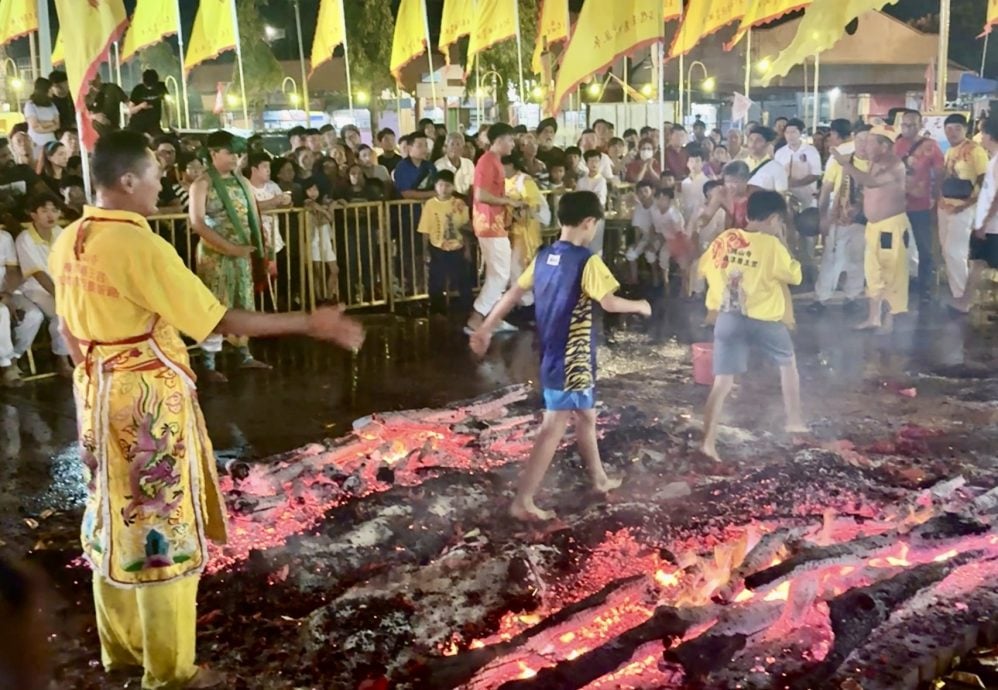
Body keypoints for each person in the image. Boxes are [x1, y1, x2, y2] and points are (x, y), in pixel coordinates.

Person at [49, 130, 363, 690]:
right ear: (126, 181)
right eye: (153, 177)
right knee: (159, 532)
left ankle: (121, 652)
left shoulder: (69, 236)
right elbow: (218, 320)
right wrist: (308, 323)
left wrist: (97, 376)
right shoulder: (140, 245)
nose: (160, 185)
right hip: (144, 402)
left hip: (96, 391)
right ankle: (170, 672)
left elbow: (70, 328)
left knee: (109, 520)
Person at [470, 191, 650, 521]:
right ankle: (523, 500)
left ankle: (598, 479)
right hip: (574, 357)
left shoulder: (544, 256)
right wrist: (640, 305)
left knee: (586, 414)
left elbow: (513, 294)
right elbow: (609, 303)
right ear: (589, 223)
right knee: (554, 424)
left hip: (553, 352)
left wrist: (485, 328)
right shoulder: (587, 261)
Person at [698, 190, 806, 462]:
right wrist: (781, 240)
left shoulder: (725, 239)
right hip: (764, 321)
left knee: (722, 383)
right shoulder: (772, 246)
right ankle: (793, 420)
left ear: (746, 215)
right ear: (773, 219)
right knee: (788, 364)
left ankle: (708, 443)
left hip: (729, 318)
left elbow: (702, 267)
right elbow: (794, 276)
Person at [189, 131, 273, 381]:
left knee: (242, 301)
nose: (236, 158)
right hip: (215, 254)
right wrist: (230, 248)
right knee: (216, 304)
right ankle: (208, 362)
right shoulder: (202, 184)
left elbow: (253, 215)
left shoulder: (241, 182)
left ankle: (244, 354)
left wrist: (260, 244)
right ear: (213, 154)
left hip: (242, 253)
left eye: (238, 153)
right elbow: (198, 223)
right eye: (230, 153)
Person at [832, 125, 909, 333]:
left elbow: (870, 182)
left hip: (890, 227)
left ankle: (891, 319)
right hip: (873, 226)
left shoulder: (894, 165)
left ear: (884, 146)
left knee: (892, 273)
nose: (865, 146)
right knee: (873, 273)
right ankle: (873, 318)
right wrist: (857, 208)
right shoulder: (875, 163)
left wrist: (843, 163)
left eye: (870, 142)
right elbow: (869, 192)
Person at [466, 122, 523, 334]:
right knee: (500, 275)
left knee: (497, 274)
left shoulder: (493, 161)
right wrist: (508, 201)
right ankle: (477, 317)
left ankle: (492, 317)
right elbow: (480, 195)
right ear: (498, 141)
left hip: (493, 224)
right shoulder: (487, 161)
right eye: (510, 140)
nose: (512, 144)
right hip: (490, 224)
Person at [813, 127, 869, 311]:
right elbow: (827, 188)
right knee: (830, 258)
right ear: (854, 139)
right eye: (860, 140)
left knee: (857, 259)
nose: (863, 145)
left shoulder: (875, 165)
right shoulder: (840, 162)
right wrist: (823, 216)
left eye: (867, 141)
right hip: (839, 216)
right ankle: (822, 297)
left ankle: (852, 296)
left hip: (865, 220)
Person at [15, 192, 72, 376]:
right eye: (44, 211)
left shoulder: (60, 233)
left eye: (55, 210)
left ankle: (68, 357)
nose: (50, 215)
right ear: (33, 215)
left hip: (59, 287)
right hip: (35, 289)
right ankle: (62, 361)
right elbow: (38, 273)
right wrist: (61, 295)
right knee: (62, 312)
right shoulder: (25, 239)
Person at [938, 113, 989, 304]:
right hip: (946, 205)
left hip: (964, 207)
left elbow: (984, 180)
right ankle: (957, 291)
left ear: (966, 129)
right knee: (947, 250)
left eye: (957, 128)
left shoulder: (975, 150)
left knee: (954, 251)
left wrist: (970, 203)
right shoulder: (950, 151)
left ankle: (961, 296)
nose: (952, 133)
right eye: (949, 129)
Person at [894, 109, 945, 301]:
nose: (907, 128)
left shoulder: (931, 147)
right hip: (898, 205)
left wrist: (935, 194)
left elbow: (940, 171)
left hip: (921, 204)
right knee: (899, 246)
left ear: (920, 125)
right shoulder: (897, 145)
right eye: (904, 125)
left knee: (925, 247)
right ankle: (902, 282)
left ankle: (925, 286)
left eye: (911, 125)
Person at [953, 116, 998, 312]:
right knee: (978, 262)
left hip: (993, 226)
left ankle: (965, 301)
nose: (980, 137)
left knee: (980, 263)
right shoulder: (993, 159)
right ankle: (965, 301)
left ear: (990, 135)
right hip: (988, 223)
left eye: (982, 132)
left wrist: (984, 222)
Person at [417, 169, 472, 314]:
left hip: (457, 246)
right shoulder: (430, 204)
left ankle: (466, 308)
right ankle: (437, 309)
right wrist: (425, 250)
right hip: (437, 247)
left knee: (462, 279)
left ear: (453, 186)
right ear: (435, 186)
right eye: (440, 185)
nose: (444, 189)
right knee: (436, 280)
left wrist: (467, 249)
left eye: (447, 185)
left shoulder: (459, 203)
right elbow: (425, 230)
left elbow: (466, 228)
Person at [0, 223, 43, 386]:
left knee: (34, 315)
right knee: (2, 312)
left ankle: (15, 355)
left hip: (7, 292)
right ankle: (6, 365)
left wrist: (8, 294)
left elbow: (12, 270)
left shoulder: (4, 238)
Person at [504, 155, 546, 307]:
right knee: (514, 267)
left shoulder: (524, 181)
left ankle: (528, 303)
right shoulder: (503, 182)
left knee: (522, 266)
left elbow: (534, 204)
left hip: (526, 230)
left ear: (511, 165)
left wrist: (520, 208)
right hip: (511, 230)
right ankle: (521, 301)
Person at [246, 152, 291, 272]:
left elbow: (284, 206)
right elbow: (247, 208)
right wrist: (272, 202)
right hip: (255, 242)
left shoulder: (273, 186)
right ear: (254, 169)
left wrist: (287, 201)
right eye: (265, 167)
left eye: (269, 167)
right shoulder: (246, 187)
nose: (268, 170)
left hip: (276, 241)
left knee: (278, 278)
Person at [302, 179, 340, 301]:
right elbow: (319, 209)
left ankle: (328, 295)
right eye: (309, 189)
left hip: (325, 239)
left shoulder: (324, 202)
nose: (312, 192)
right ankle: (318, 297)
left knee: (334, 269)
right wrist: (325, 210)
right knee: (317, 271)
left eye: (315, 189)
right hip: (314, 239)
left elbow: (330, 217)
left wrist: (328, 208)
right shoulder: (307, 203)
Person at [745, 127, 788, 193]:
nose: (753, 144)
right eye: (750, 140)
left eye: (758, 140)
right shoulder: (740, 164)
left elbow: (781, 196)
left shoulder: (776, 168)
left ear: (767, 144)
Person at [24, 78, 60, 155]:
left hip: (51, 141)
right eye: (50, 88)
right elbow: (35, 126)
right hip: (36, 142)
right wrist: (51, 123)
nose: (52, 91)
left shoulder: (52, 105)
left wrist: (42, 124)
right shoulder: (30, 105)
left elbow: (57, 125)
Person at [127, 69, 166, 137]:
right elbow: (131, 110)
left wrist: (169, 122)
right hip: (137, 124)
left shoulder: (161, 87)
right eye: (148, 87)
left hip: (154, 125)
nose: (150, 88)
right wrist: (140, 106)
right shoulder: (138, 89)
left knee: (160, 139)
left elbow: (167, 104)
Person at [435, 132, 475, 197]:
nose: (455, 148)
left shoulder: (469, 164)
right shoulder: (439, 165)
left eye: (458, 144)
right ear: (446, 147)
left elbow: (472, 186)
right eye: (452, 144)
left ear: (463, 148)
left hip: (466, 201)